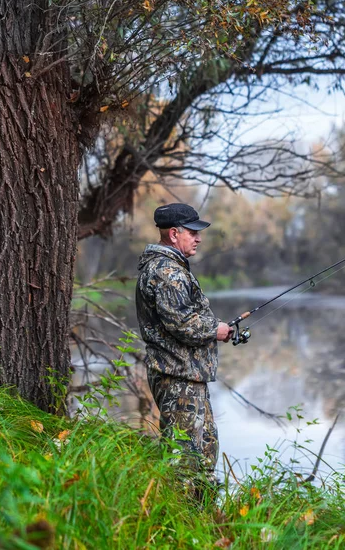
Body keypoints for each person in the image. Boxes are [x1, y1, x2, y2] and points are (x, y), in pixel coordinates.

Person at [136, 203, 233, 490]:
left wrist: (216, 330)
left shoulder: (170, 268)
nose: (198, 238)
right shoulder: (168, 271)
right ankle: (180, 524)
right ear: (174, 234)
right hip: (177, 379)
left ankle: (203, 521)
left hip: (187, 376)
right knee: (185, 462)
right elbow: (181, 323)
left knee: (204, 451)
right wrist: (216, 330)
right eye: (193, 232)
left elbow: (183, 317)